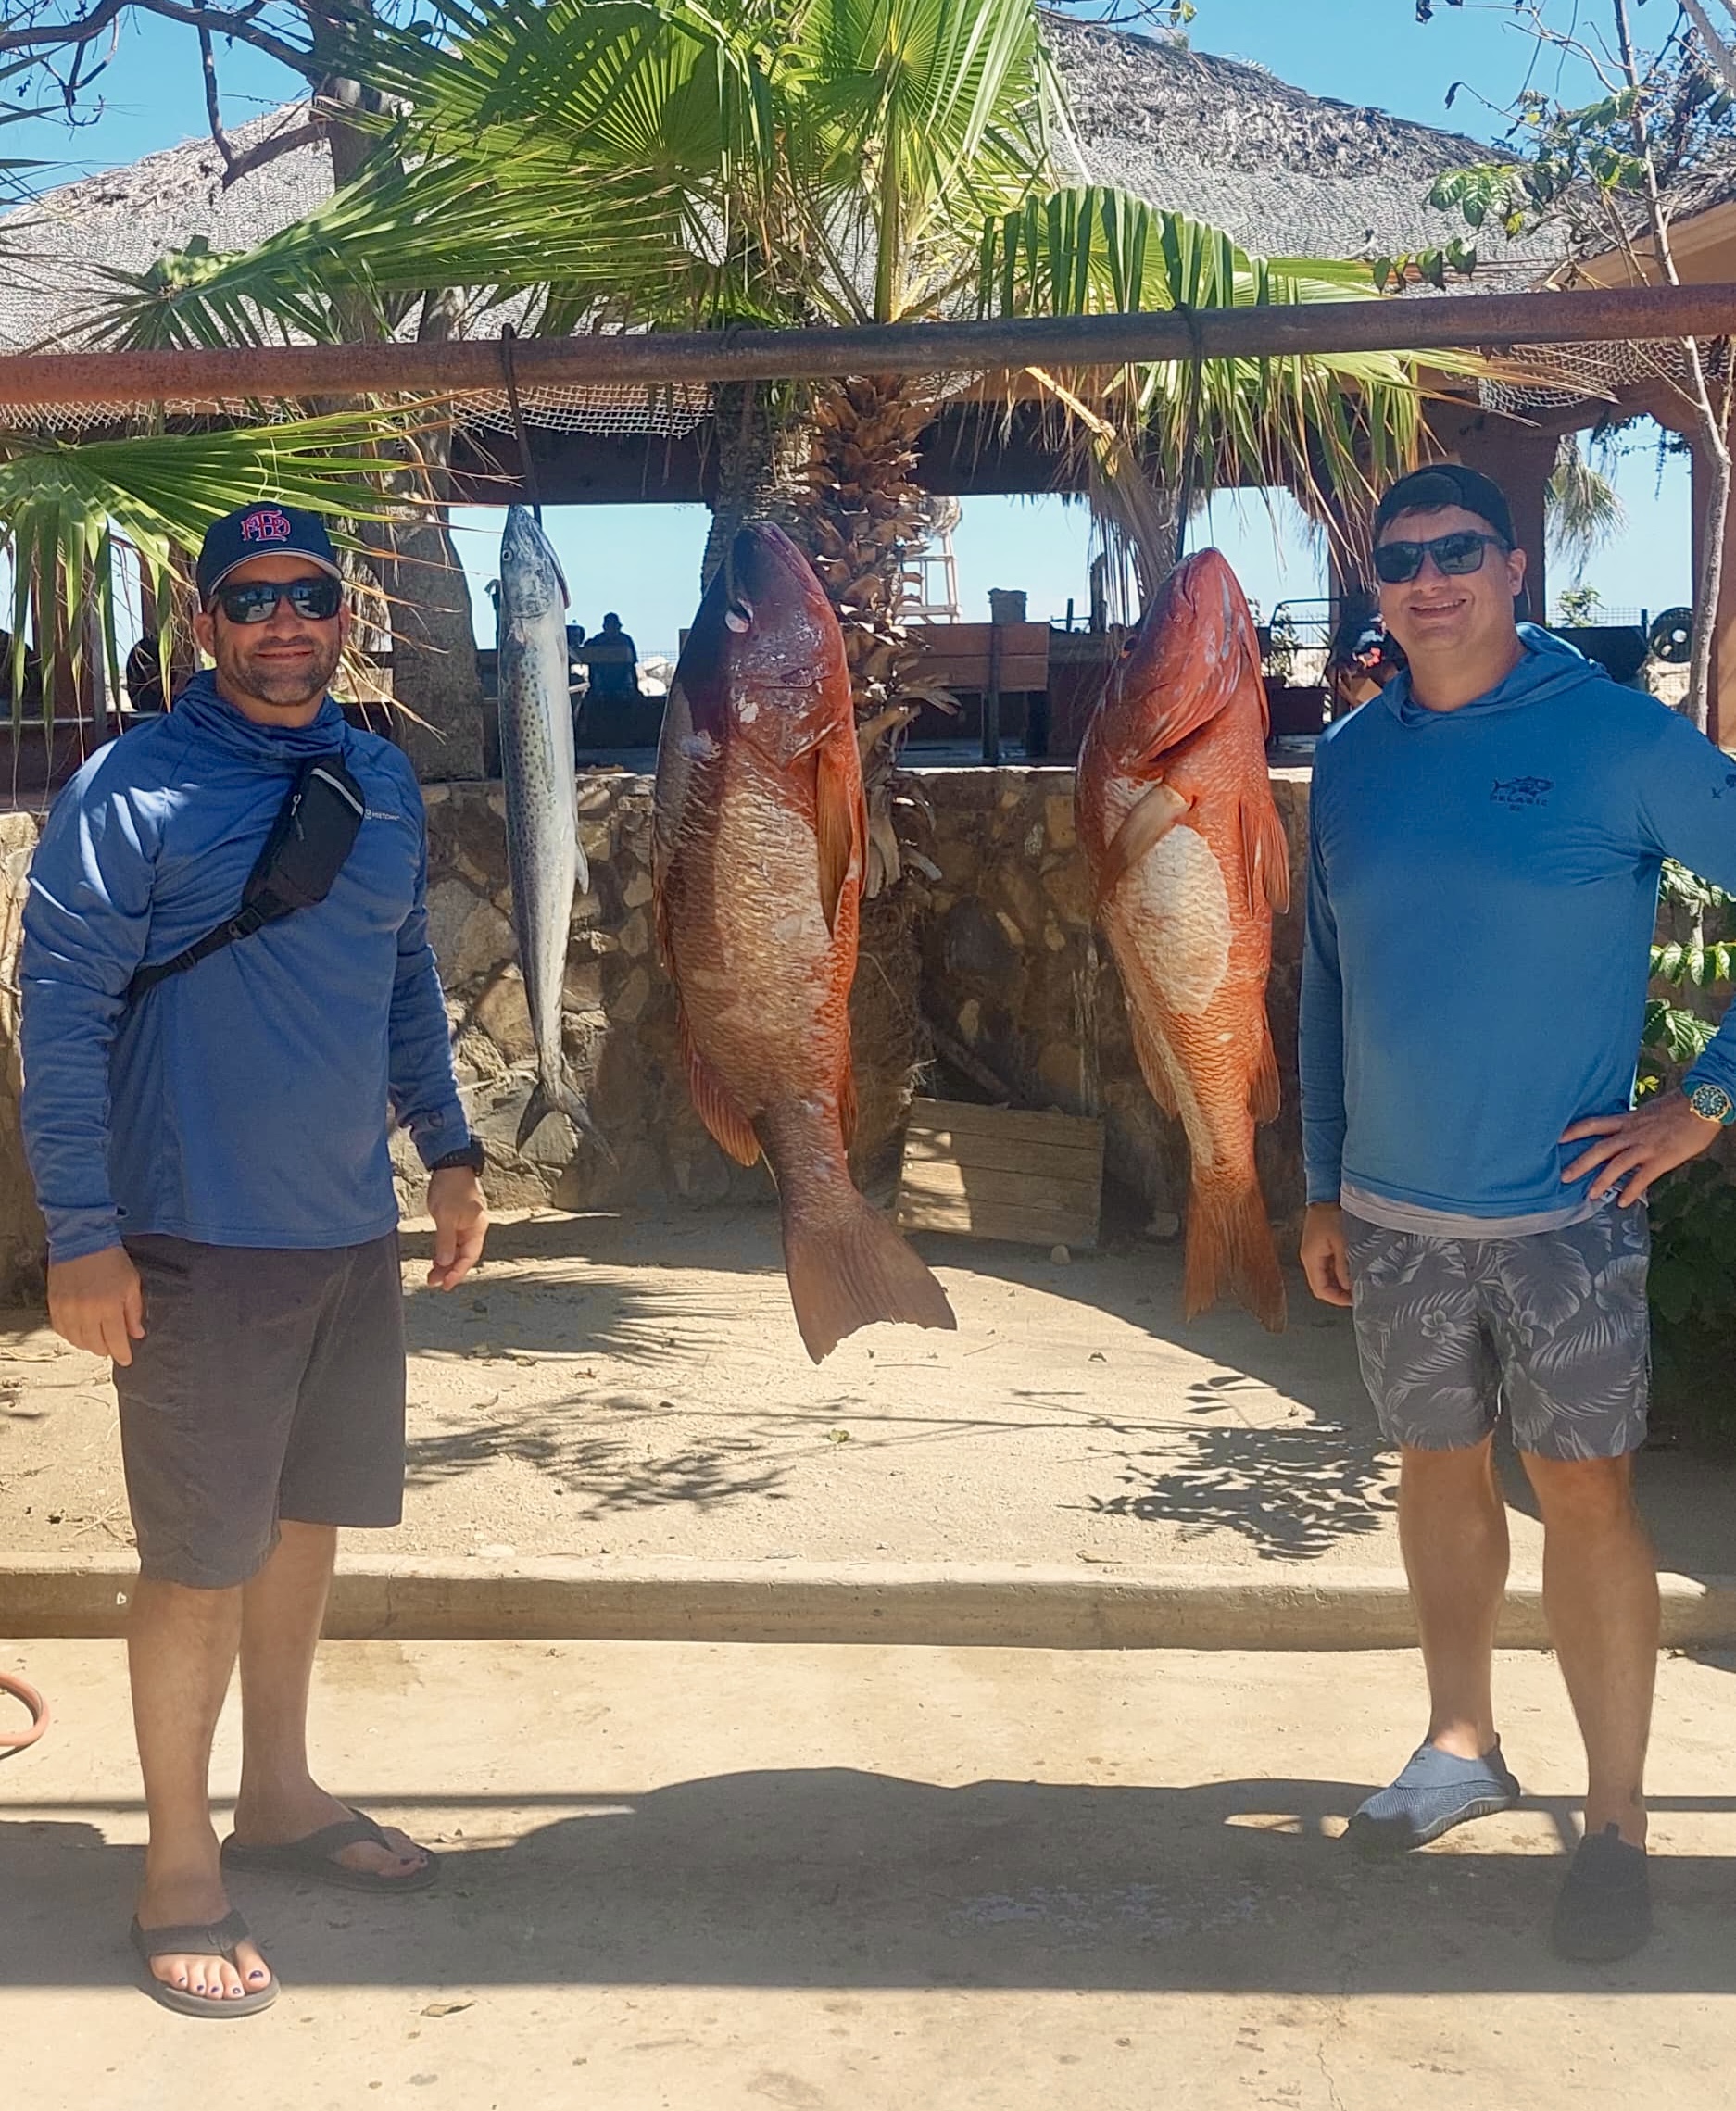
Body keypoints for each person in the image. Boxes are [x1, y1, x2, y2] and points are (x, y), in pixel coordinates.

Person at [19, 501, 490, 2017]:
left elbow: (400, 971)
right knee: (197, 1559)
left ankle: (278, 1791)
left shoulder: (376, 778)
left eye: (308, 594)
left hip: (343, 1224)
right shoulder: (129, 790)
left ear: (343, 614)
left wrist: (450, 1146)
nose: (283, 621)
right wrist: (83, 1235)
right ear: (205, 620)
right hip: (193, 1233)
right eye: (251, 597)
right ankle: (175, 1863)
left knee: (302, 1521)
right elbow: (60, 1016)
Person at [1300, 462, 1736, 1964]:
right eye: (1399, 558)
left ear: (1511, 566)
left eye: (1455, 551)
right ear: (1376, 584)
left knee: (1585, 1497)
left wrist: (1702, 1099)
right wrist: (1316, 1181)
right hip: (1390, 1212)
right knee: (1433, 1466)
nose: (1426, 580)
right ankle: (1458, 1740)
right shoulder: (1350, 758)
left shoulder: (1612, 737)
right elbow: (1324, 983)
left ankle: (1611, 1819)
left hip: (1564, 1214)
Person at [578, 610, 641, 702]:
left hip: (621, 682)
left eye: (616, 627)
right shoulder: (598, 640)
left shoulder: (626, 641)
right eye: (611, 627)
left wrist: (635, 689)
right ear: (605, 627)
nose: (613, 630)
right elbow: (590, 661)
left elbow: (632, 666)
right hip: (602, 682)